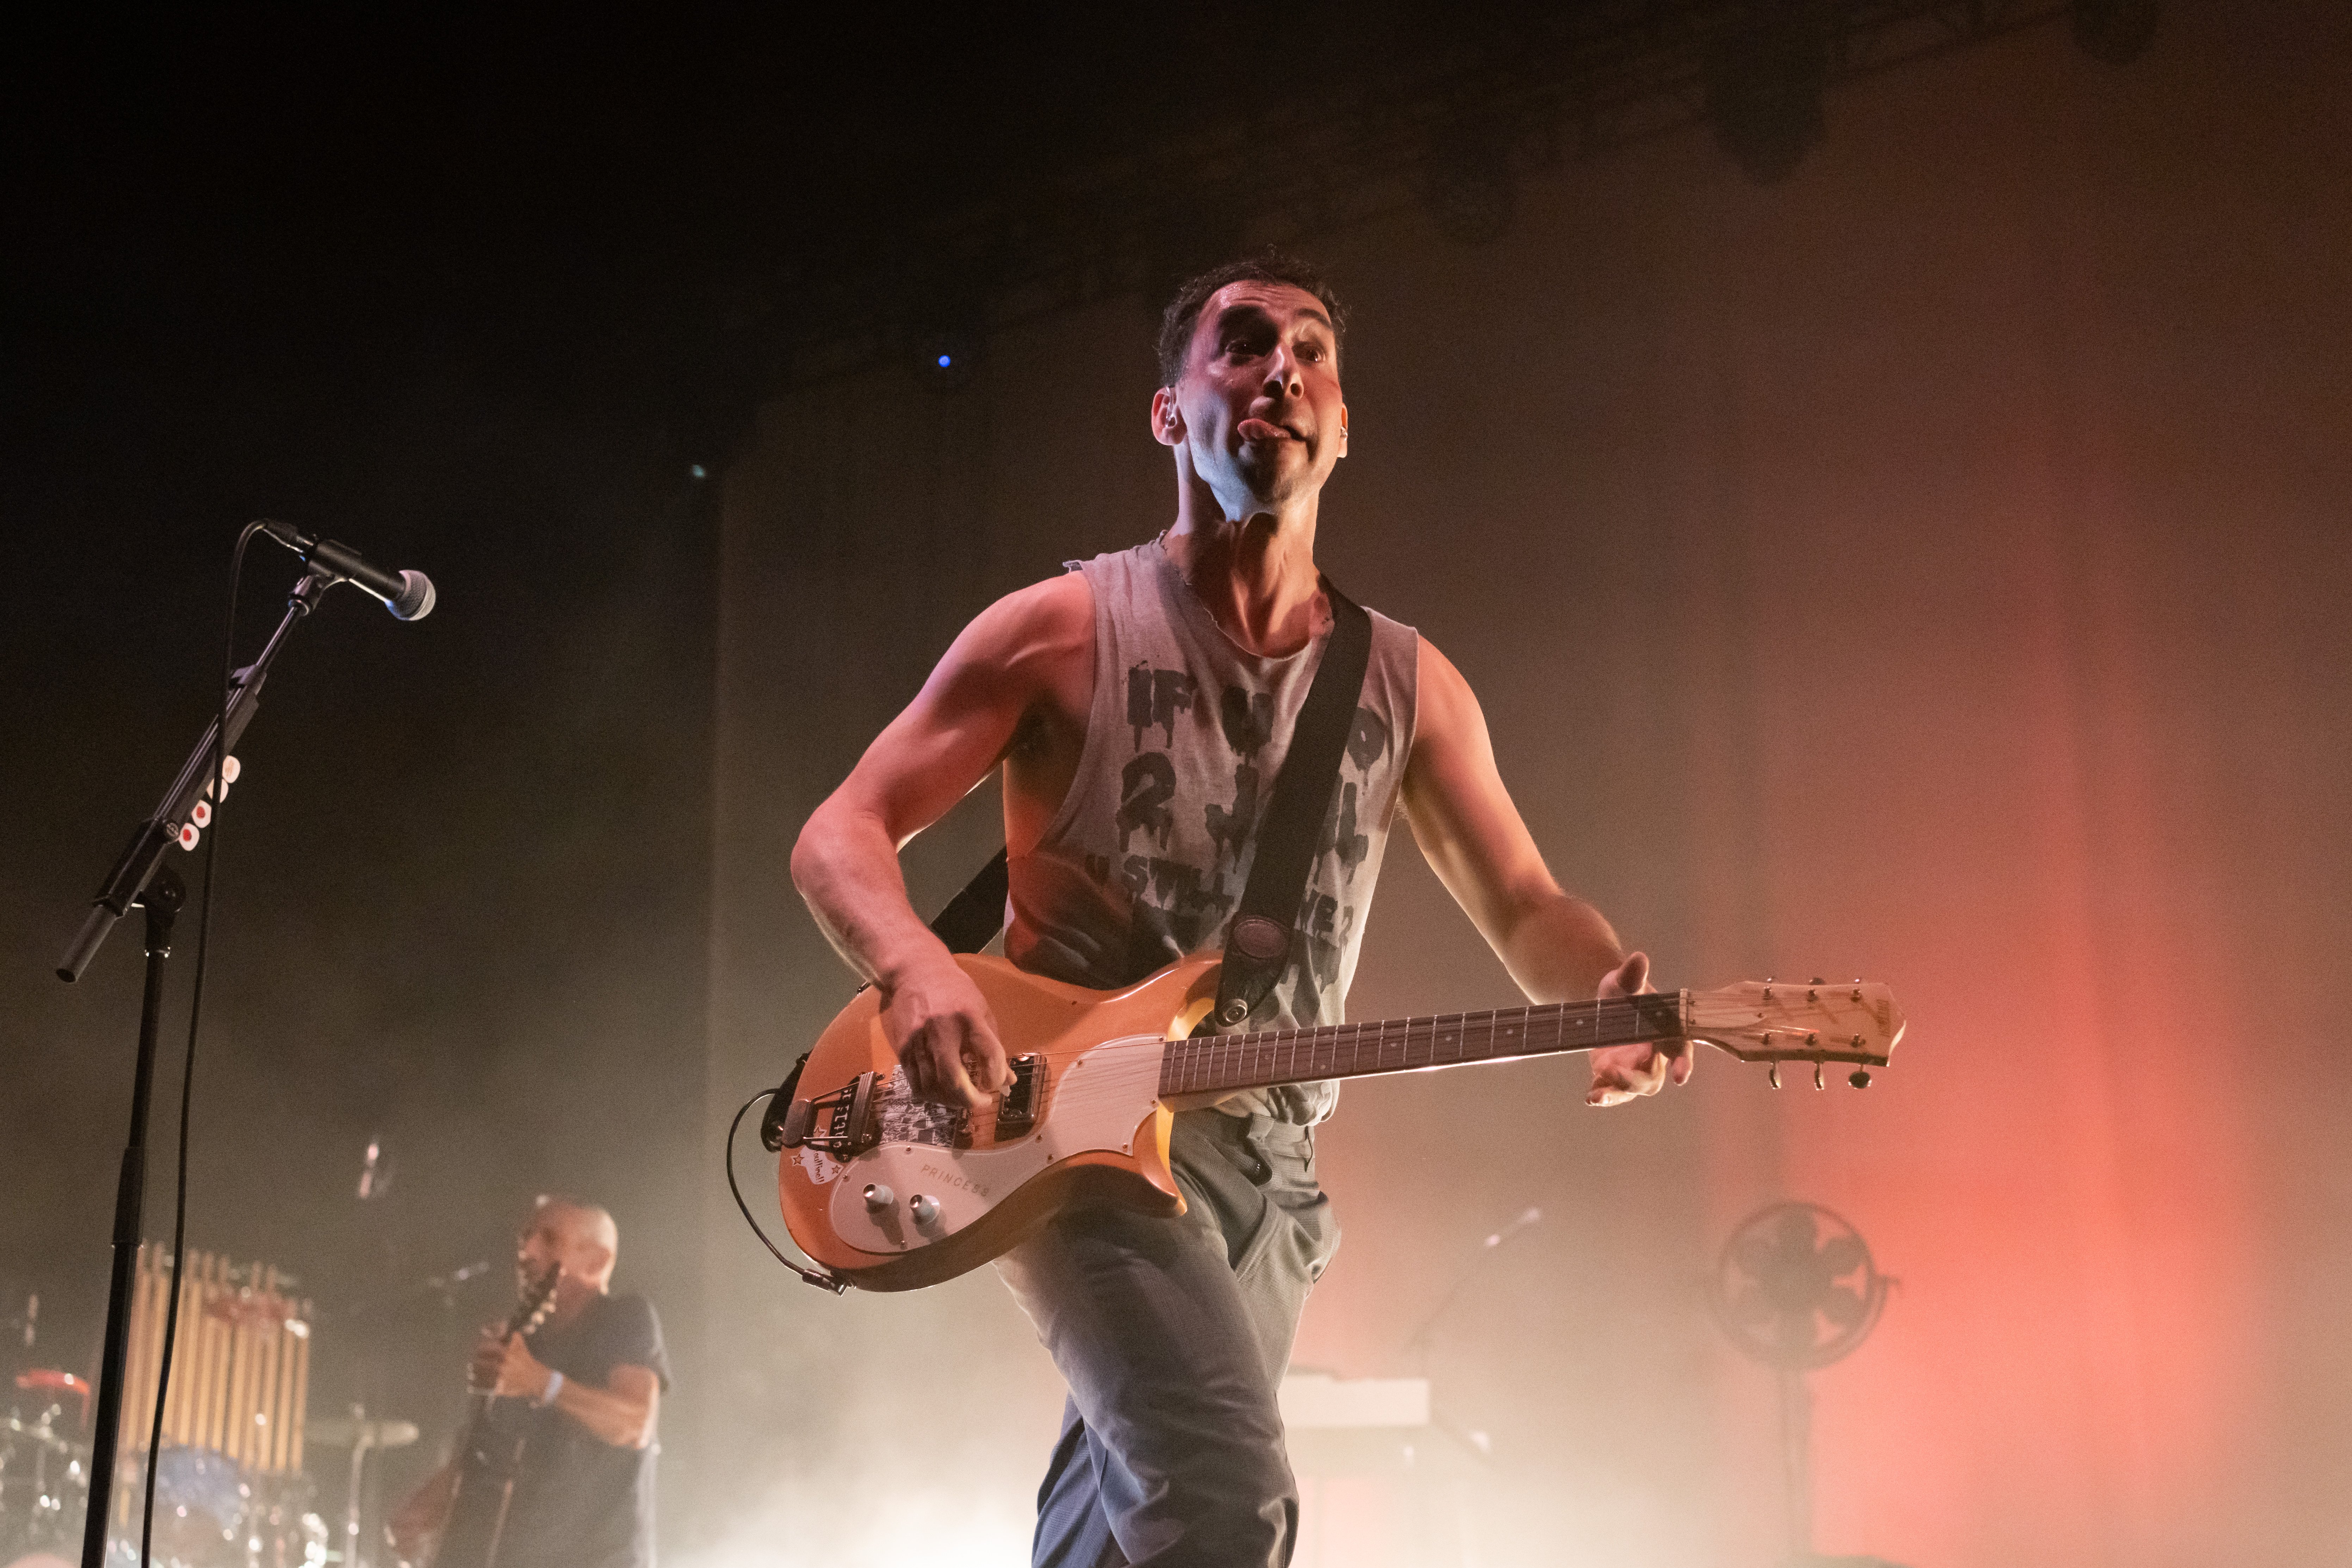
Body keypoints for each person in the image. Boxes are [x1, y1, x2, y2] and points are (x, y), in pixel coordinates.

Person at [789, 254, 1691, 1568]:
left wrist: (1600, 988)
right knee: (1221, 1499)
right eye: (1243, 344)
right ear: (1171, 412)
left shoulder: (1404, 682)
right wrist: (917, 967)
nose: (1282, 367)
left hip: (1268, 1169)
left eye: (1311, 352)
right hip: (1071, 1150)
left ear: (1339, 430)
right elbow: (839, 832)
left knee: (1116, 1529)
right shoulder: (1059, 630)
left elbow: (1524, 898)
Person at [388, 1197, 670, 1568]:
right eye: (526, 1236)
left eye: (550, 1239)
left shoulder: (624, 1317)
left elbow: (635, 1424)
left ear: (596, 1261)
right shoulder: (522, 1341)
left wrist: (540, 1381)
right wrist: (431, 1503)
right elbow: (486, 1453)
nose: (528, 1250)